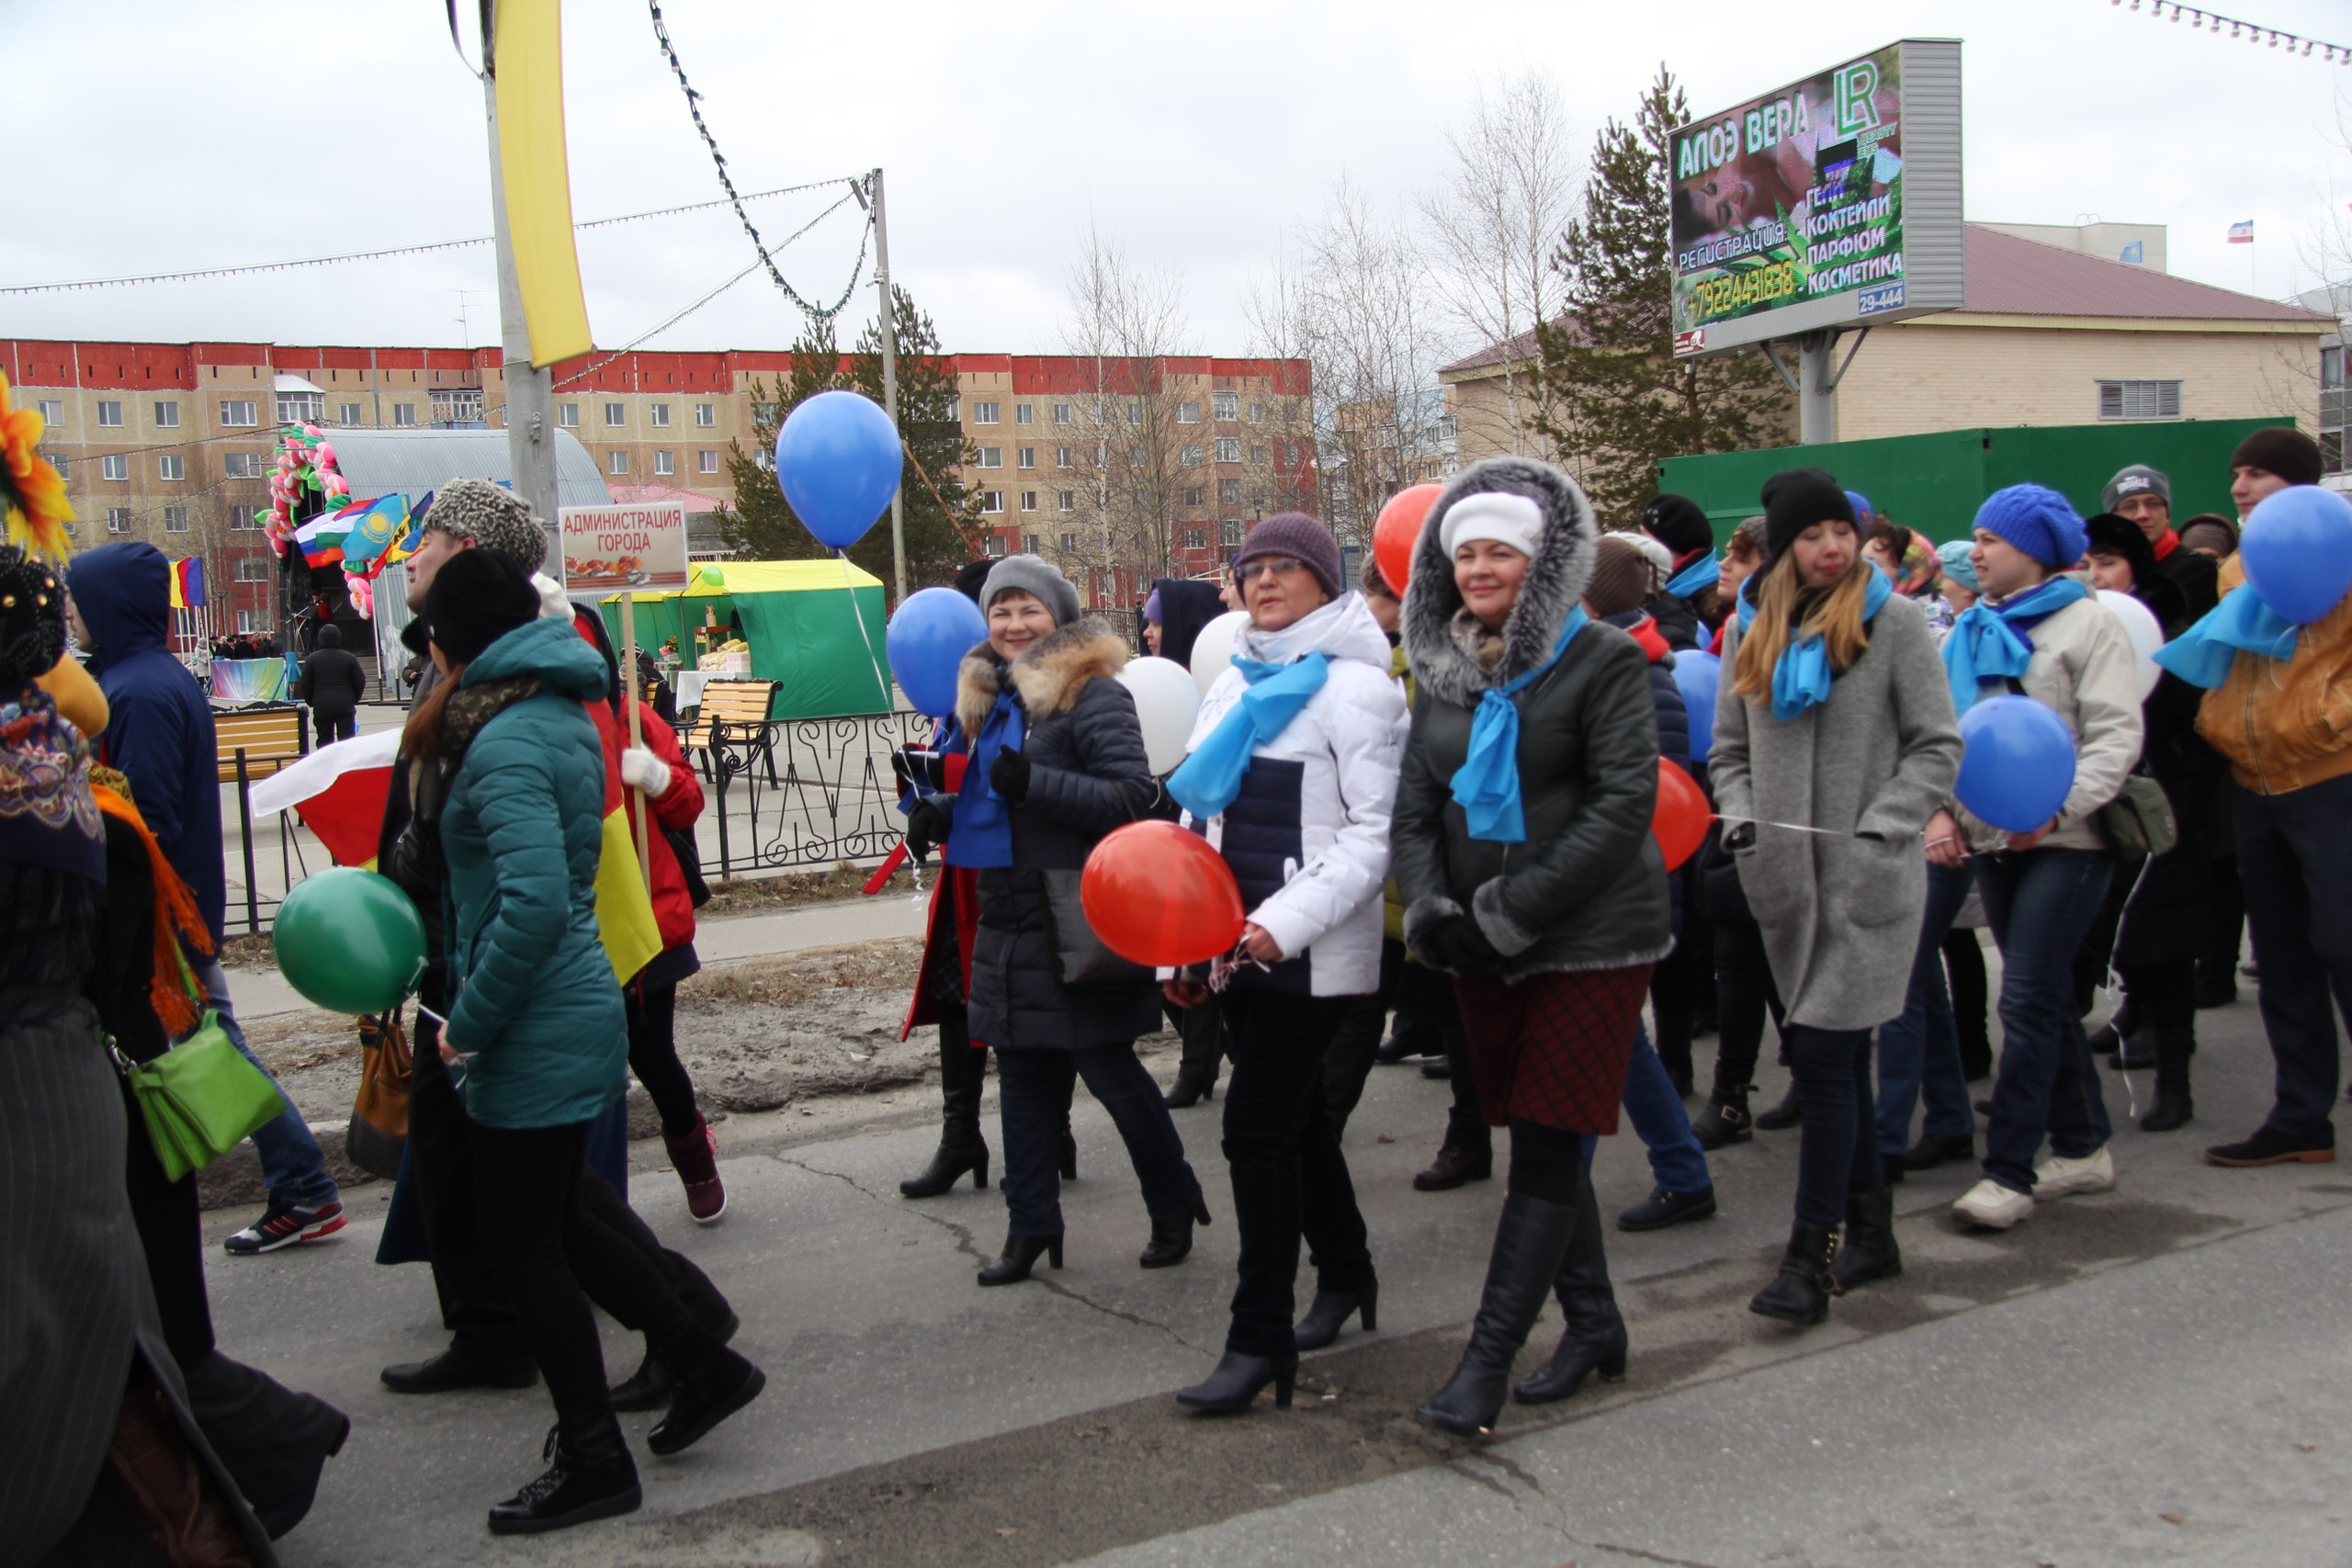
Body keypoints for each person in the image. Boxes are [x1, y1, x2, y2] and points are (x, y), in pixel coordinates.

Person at [411, 547, 763, 1533]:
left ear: (455, 643)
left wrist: (465, 1025)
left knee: (528, 1244)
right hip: (560, 1001)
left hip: (530, 1013)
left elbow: (526, 908)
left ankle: (594, 1456)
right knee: (566, 1211)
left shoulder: (509, 737)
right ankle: (705, 1358)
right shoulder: (551, 708)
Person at [0, 545, 285, 1568]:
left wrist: (176, 933)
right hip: (91, 1045)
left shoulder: (69, 738)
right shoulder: (56, 739)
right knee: (103, 1343)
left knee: (76, 1351)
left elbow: (149, 828)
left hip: (80, 1049)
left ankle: (298, 1184)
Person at [1387, 460, 1666, 1435]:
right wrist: (1430, 908)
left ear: (1540, 561)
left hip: (1592, 936)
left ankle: (1484, 1367)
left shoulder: (1601, 661)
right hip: (1478, 942)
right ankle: (1594, 1324)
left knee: (1548, 1146)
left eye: (1498, 550)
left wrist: (1513, 907)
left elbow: (1624, 804)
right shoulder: (1445, 671)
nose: (1479, 568)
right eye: (1464, 554)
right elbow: (1416, 807)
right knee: (1543, 1132)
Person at [904, 557, 1209, 1287]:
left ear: (1060, 618)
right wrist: (940, 812)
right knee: (1022, 1080)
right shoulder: (993, 698)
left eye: (1027, 610)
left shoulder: (1091, 693)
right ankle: (1030, 1223)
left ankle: (1174, 1200)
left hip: (1074, 916)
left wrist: (1035, 781)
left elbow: (1136, 796)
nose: (1012, 624)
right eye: (1000, 611)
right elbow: (991, 798)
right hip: (1007, 914)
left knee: (1111, 1072)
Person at [1163, 513, 1402, 1413]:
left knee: (1253, 1133)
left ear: (1323, 581)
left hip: (1308, 951)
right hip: (1231, 947)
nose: (1262, 583)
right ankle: (1347, 1275)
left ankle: (1257, 1337)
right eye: (1249, 568)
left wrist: (1280, 924)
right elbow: (1199, 822)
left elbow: (1371, 838)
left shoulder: (1358, 692)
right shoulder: (1234, 682)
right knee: (1297, 1125)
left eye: (1283, 569)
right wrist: (1182, 948)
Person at [1712, 472, 1961, 1323]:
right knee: (1840, 1066)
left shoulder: (1893, 624)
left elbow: (1936, 743)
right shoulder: (1752, 626)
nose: (1832, 546)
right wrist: (1742, 822)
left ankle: (1807, 1261)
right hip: (1783, 886)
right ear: (1785, 545)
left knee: (1818, 1061)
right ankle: (1874, 1233)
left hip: (1867, 885)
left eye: (1842, 531)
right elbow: (1728, 753)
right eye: (1813, 533)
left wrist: (1887, 822)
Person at [65, 540, 346, 1257]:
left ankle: (304, 1186)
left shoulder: (138, 691)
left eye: (78, 597)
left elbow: (142, 818)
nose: (69, 611)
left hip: (163, 918)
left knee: (214, 1049)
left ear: (110, 604)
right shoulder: (136, 679)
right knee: (216, 1044)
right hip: (174, 909)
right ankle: (302, 1186)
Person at [1943, 486, 2143, 1231]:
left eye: (1991, 537)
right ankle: (2086, 1146)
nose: (1978, 551)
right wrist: (1950, 811)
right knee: (2048, 998)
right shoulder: (1971, 626)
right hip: (1995, 841)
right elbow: (1952, 731)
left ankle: (2010, 1171)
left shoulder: (2089, 625)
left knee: (2024, 997)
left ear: (2034, 547)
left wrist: (2056, 810)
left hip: (2071, 841)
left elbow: (2115, 738)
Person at [2154, 439, 2352, 1168]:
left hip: (2333, 778)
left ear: (2298, 482)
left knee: (2344, 944)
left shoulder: (2347, 552)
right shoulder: (2236, 568)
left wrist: (2327, 717)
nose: (2238, 485)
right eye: (2234, 471)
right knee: (2283, 956)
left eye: (2256, 473)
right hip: (2256, 785)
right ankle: (2302, 1117)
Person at [1580, 536, 1719, 1232]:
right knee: (1613, 1039)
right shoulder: (1625, 661)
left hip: (1622, 891)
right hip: (1614, 889)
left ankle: (1553, 1193)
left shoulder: (1629, 671)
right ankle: (1682, 1170)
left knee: (1583, 1039)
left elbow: (1643, 801)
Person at [2081, 513, 2217, 1131]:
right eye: (2085, 563)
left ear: (2136, 567)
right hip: (2097, 800)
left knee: (2164, 940)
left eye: (2107, 561)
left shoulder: (2171, 630)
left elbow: (2196, 725)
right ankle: (2071, 1068)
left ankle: (2175, 1078)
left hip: (2166, 803)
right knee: (2106, 934)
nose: (2095, 575)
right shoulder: (2079, 627)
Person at [1147, 572, 1238, 1111]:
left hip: (1215, 840)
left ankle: (1199, 1064)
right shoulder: (1156, 683)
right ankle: (1209, 1054)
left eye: (1157, 622)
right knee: (1169, 964)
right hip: (1164, 841)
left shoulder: (1220, 683)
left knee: (1199, 954)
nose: (1149, 633)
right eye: (1146, 623)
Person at [2103, 464, 2220, 621]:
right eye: (2129, 506)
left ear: (2167, 515)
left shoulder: (2198, 570)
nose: (2142, 514)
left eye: (2153, 503)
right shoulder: (2097, 572)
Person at [1639, 491, 1716, 649]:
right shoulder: (1663, 590)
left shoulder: (1713, 607)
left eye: (1646, 539)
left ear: (1668, 547)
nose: (1640, 546)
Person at [300, 622, 367, 743]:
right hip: (345, 705)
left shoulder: (312, 659)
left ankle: (328, 762)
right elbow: (360, 681)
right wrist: (354, 698)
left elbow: (305, 684)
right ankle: (346, 762)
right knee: (347, 741)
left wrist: (311, 701)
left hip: (322, 706)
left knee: (324, 742)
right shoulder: (349, 658)